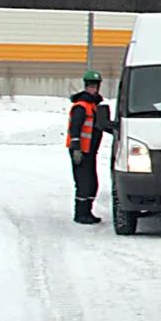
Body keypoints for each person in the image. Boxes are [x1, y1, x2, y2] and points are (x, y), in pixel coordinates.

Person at [66, 70, 113, 224]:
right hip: (81, 150)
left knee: (92, 182)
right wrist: (76, 147)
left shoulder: (94, 106)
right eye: (90, 87)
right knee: (83, 182)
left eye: (95, 86)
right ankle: (80, 213)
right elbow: (75, 128)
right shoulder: (81, 106)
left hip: (91, 151)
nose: (93, 89)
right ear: (85, 87)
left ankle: (88, 211)